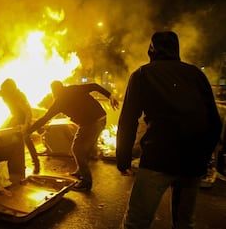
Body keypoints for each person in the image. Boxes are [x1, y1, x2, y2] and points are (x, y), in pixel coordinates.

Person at [116, 31, 222, 229]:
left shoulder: (142, 74)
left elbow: (128, 120)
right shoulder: (196, 74)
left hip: (158, 157)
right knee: (185, 222)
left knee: (136, 222)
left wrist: (123, 160)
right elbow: (214, 120)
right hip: (193, 159)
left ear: (151, 49)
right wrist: (205, 156)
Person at [26, 80, 119, 191]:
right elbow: (94, 86)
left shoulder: (59, 101)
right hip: (97, 119)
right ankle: (80, 171)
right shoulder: (73, 89)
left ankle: (86, 182)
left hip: (92, 123)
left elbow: (45, 118)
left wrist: (29, 131)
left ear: (54, 91)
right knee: (79, 146)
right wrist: (110, 96)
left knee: (78, 150)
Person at [0, 78, 40, 173]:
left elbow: (28, 112)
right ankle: (8, 161)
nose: (4, 92)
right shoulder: (4, 92)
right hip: (15, 117)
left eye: (5, 90)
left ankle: (36, 163)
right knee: (1, 133)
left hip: (23, 118)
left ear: (11, 89)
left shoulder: (19, 96)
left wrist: (26, 125)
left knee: (26, 138)